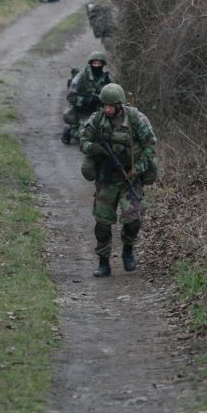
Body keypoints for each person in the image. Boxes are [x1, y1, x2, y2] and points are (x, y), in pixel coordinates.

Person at [79, 83, 157, 278]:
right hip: (106, 179)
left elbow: (150, 145)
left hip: (130, 177)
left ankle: (128, 249)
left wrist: (137, 169)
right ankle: (103, 262)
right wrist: (95, 149)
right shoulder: (97, 119)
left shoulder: (136, 119)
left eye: (111, 106)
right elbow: (83, 141)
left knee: (133, 220)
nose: (107, 109)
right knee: (102, 225)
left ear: (120, 104)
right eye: (105, 105)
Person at [62, 51, 113, 145]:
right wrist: (85, 100)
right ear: (90, 64)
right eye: (95, 63)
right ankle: (70, 129)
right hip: (82, 110)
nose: (97, 66)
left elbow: (115, 94)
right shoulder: (81, 77)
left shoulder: (107, 78)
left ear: (103, 64)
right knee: (84, 135)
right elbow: (70, 97)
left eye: (99, 64)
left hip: (98, 110)